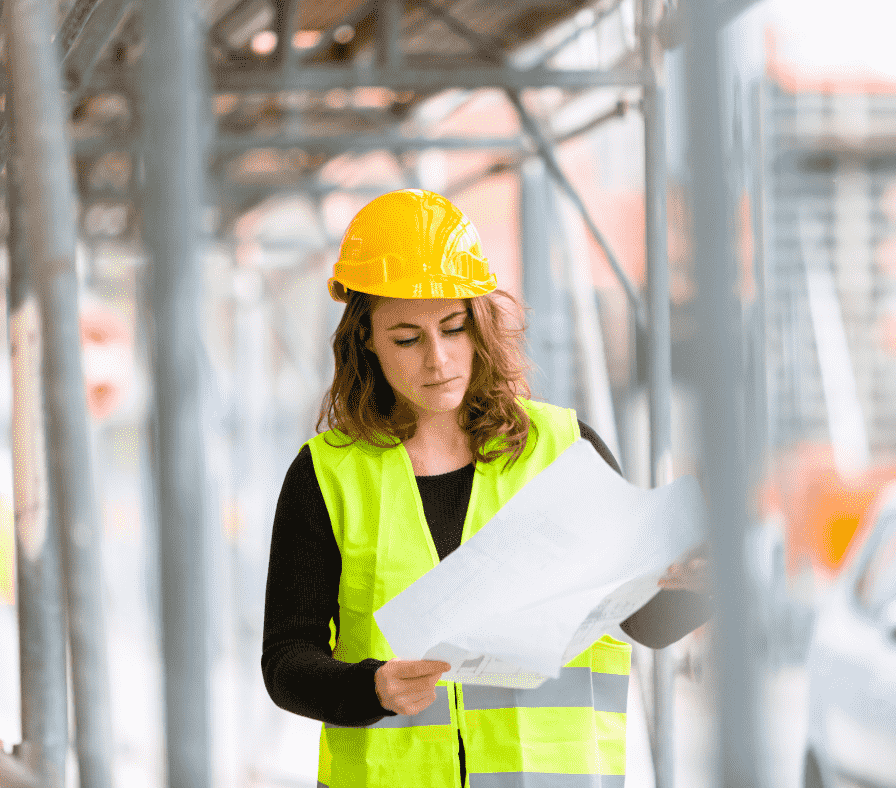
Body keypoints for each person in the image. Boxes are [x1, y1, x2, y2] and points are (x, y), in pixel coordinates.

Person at [262, 189, 710, 788]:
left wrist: (699, 585)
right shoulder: (327, 475)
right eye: (406, 338)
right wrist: (368, 688)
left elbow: (644, 620)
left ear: (480, 322)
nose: (438, 358)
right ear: (363, 336)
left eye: (454, 327)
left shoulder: (563, 450)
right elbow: (287, 660)